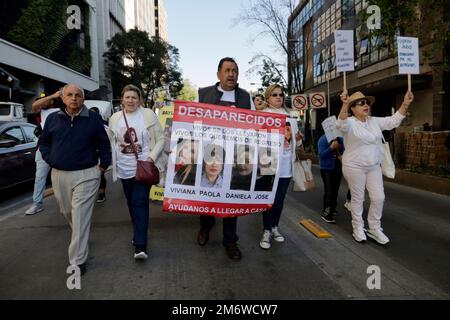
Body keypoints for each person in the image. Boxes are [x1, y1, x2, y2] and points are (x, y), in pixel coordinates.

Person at [39, 84, 111, 275]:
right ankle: (80, 236)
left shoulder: (94, 119)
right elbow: (44, 142)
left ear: (83, 99)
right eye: (69, 95)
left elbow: (105, 144)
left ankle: (77, 261)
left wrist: (103, 166)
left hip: (87, 175)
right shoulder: (53, 119)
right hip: (59, 174)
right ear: (62, 98)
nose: (73, 98)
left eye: (78, 95)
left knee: (79, 215)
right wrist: (49, 158)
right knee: (67, 212)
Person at [337, 90, 414, 244]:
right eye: (361, 103)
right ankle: (358, 227)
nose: (366, 105)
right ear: (353, 108)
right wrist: (344, 105)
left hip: (374, 165)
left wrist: (405, 103)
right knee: (358, 198)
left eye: (367, 103)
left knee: (379, 197)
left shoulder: (374, 121)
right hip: (354, 166)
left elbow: (394, 121)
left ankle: (374, 228)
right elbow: (341, 123)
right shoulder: (350, 122)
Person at [196, 57, 254, 261]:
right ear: (218, 74)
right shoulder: (203, 94)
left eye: (235, 70)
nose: (231, 74)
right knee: (208, 195)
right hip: (210, 155)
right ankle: (205, 226)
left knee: (231, 201)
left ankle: (230, 241)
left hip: (235, 158)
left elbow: (254, 127)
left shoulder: (246, 98)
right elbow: (194, 122)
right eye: (227, 70)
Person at [108, 84, 165, 260]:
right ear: (122, 99)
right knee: (132, 203)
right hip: (124, 170)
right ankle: (138, 230)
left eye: (134, 97)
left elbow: (161, 139)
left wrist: (151, 158)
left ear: (139, 99)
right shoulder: (115, 118)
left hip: (144, 168)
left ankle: (140, 245)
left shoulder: (148, 115)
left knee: (139, 202)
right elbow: (112, 141)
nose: (131, 100)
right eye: (127, 97)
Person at [258, 84, 302, 250]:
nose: (278, 97)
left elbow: (296, 143)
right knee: (269, 199)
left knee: (280, 200)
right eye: (274, 94)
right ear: (268, 98)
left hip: (286, 166)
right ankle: (266, 230)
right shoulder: (263, 115)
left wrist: (298, 138)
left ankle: (274, 227)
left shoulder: (290, 116)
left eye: (281, 94)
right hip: (269, 164)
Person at [25, 90, 62, 215]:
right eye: (43, 99)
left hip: (60, 148)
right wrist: (53, 95)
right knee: (40, 177)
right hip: (43, 149)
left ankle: (66, 201)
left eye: (48, 100)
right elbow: (34, 106)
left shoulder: (59, 111)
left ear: (53, 103)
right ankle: (37, 204)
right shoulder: (40, 112)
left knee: (63, 177)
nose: (45, 102)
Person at [318, 135, 350, 223]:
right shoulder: (323, 139)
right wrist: (331, 148)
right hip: (326, 168)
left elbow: (344, 151)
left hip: (338, 167)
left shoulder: (341, 139)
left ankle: (332, 207)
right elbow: (321, 155)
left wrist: (343, 156)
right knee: (329, 190)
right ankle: (327, 211)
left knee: (335, 189)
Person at [89, 107, 109, 203]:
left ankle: (102, 193)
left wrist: (105, 161)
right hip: (90, 154)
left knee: (100, 174)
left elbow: (107, 141)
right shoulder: (85, 123)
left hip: (100, 154)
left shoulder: (104, 125)